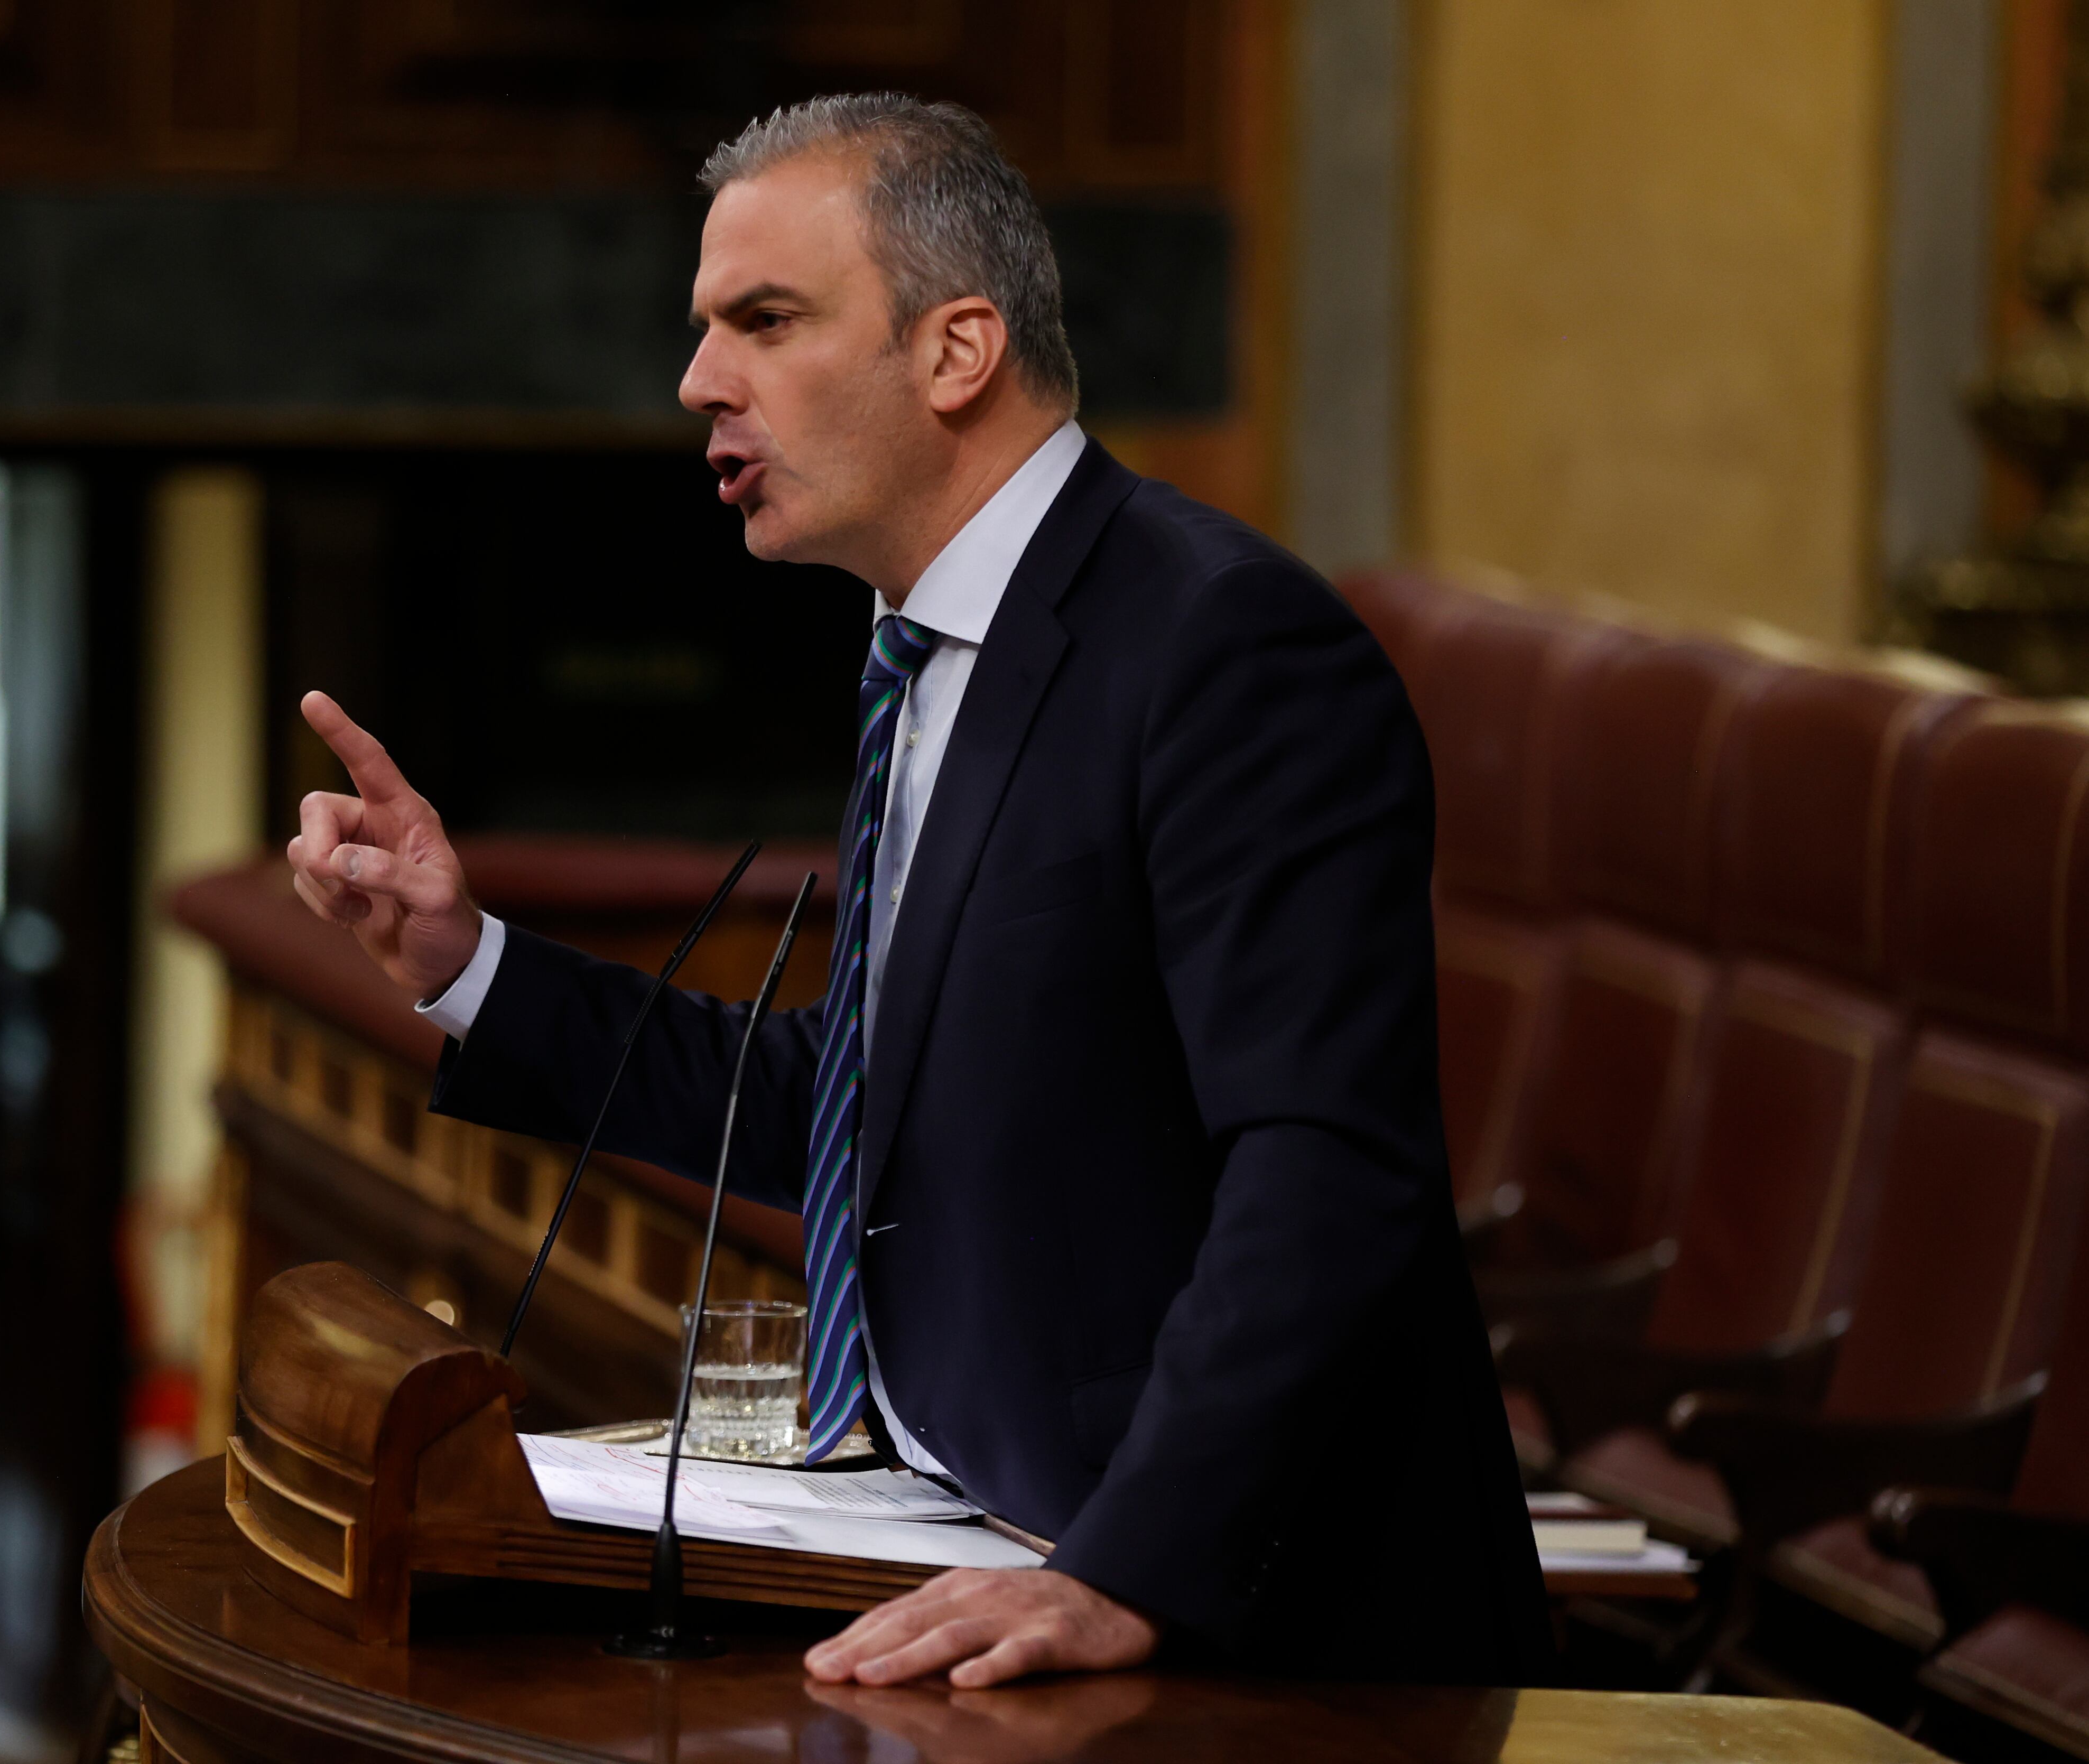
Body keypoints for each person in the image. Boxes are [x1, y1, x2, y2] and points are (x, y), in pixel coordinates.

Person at [288, 94, 1550, 1688]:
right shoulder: (931, 645)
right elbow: (852, 1099)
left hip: (1268, 1642)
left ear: (956, 354)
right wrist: (466, 961)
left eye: (763, 321)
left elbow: (1326, 1170)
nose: (697, 383)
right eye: (704, 329)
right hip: (986, 1537)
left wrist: (1124, 1571)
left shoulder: (1228, 648)